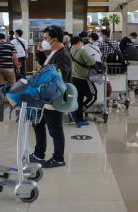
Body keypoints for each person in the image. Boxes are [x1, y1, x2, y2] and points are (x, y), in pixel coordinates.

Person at [31, 25, 72, 168]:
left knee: (55, 129)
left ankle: (58, 158)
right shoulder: (54, 52)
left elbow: (61, 78)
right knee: (38, 123)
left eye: (45, 38)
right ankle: (38, 153)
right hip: (45, 98)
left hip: (54, 98)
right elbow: (45, 67)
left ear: (54, 39)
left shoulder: (63, 55)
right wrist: (40, 53)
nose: (43, 41)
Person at [70, 37, 95, 127]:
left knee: (79, 99)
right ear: (78, 42)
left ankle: (79, 118)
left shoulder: (71, 49)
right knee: (89, 96)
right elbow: (91, 62)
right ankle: (76, 116)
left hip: (74, 77)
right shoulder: (82, 51)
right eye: (81, 42)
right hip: (81, 78)